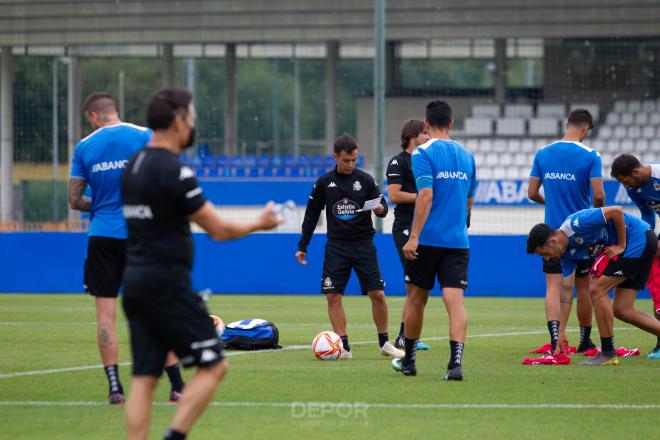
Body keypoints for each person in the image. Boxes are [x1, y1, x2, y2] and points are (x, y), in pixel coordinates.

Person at [120, 87, 281, 440]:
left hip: (134, 283)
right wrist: (260, 223)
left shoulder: (134, 165)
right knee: (214, 365)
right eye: (191, 117)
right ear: (178, 120)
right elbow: (219, 230)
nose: (193, 124)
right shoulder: (176, 172)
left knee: (144, 380)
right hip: (168, 287)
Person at [68, 92, 185, 405]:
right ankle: (176, 387)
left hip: (101, 236)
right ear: (113, 110)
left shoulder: (84, 147)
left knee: (105, 316)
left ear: (92, 116)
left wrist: (103, 204)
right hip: (140, 234)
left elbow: (74, 200)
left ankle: (115, 388)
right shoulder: (143, 135)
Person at [295, 133, 404, 360]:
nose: (350, 164)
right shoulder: (324, 182)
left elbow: (382, 204)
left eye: (354, 160)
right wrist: (303, 244)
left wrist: (380, 210)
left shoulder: (365, 180)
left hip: (364, 244)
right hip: (336, 246)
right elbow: (311, 215)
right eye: (346, 160)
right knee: (333, 296)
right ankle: (343, 347)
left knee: (377, 294)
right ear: (335, 157)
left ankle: (385, 343)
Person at [392, 100, 475, 380]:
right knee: (455, 301)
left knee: (416, 299)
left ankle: (410, 361)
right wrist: (461, 226)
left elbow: (425, 195)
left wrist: (413, 237)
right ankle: (455, 364)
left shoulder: (422, 153)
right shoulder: (467, 155)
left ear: (426, 124)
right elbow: (469, 201)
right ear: (450, 123)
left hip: (428, 241)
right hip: (457, 241)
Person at [527, 206, 659, 366]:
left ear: (552, 241)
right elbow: (566, 291)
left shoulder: (577, 223)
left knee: (596, 289)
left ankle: (608, 352)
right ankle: (608, 352)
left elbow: (616, 211)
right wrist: (560, 331)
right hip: (639, 244)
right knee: (623, 310)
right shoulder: (566, 253)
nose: (547, 259)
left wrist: (621, 245)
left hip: (637, 239)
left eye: (545, 254)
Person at [528, 108, 605, 354]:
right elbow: (600, 195)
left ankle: (556, 339)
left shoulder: (543, 153)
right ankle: (584, 340)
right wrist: (595, 219)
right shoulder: (591, 155)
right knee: (583, 288)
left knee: (553, 287)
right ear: (585, 129)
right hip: (581, 233)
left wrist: (548, 203)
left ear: (567, 124)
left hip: (551, 234)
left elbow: (531, 193)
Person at [386, 119, 431, 351]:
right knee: (413, 284)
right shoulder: (398, 161)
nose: (428, 137)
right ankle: (405, 336)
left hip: (423, 228)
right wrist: (422, 197)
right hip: (405, 226)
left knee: (419, 285)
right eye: (425, 133)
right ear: (413, 135)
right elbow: (393, 195)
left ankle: (408, 336)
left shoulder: (425, 159)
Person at [610, 153, 660, 359]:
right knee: (655, 270)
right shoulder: (633, 188)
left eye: (626, 180)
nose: (626, 185)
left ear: (637, 172)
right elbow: (647, 214)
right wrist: (647, 237)